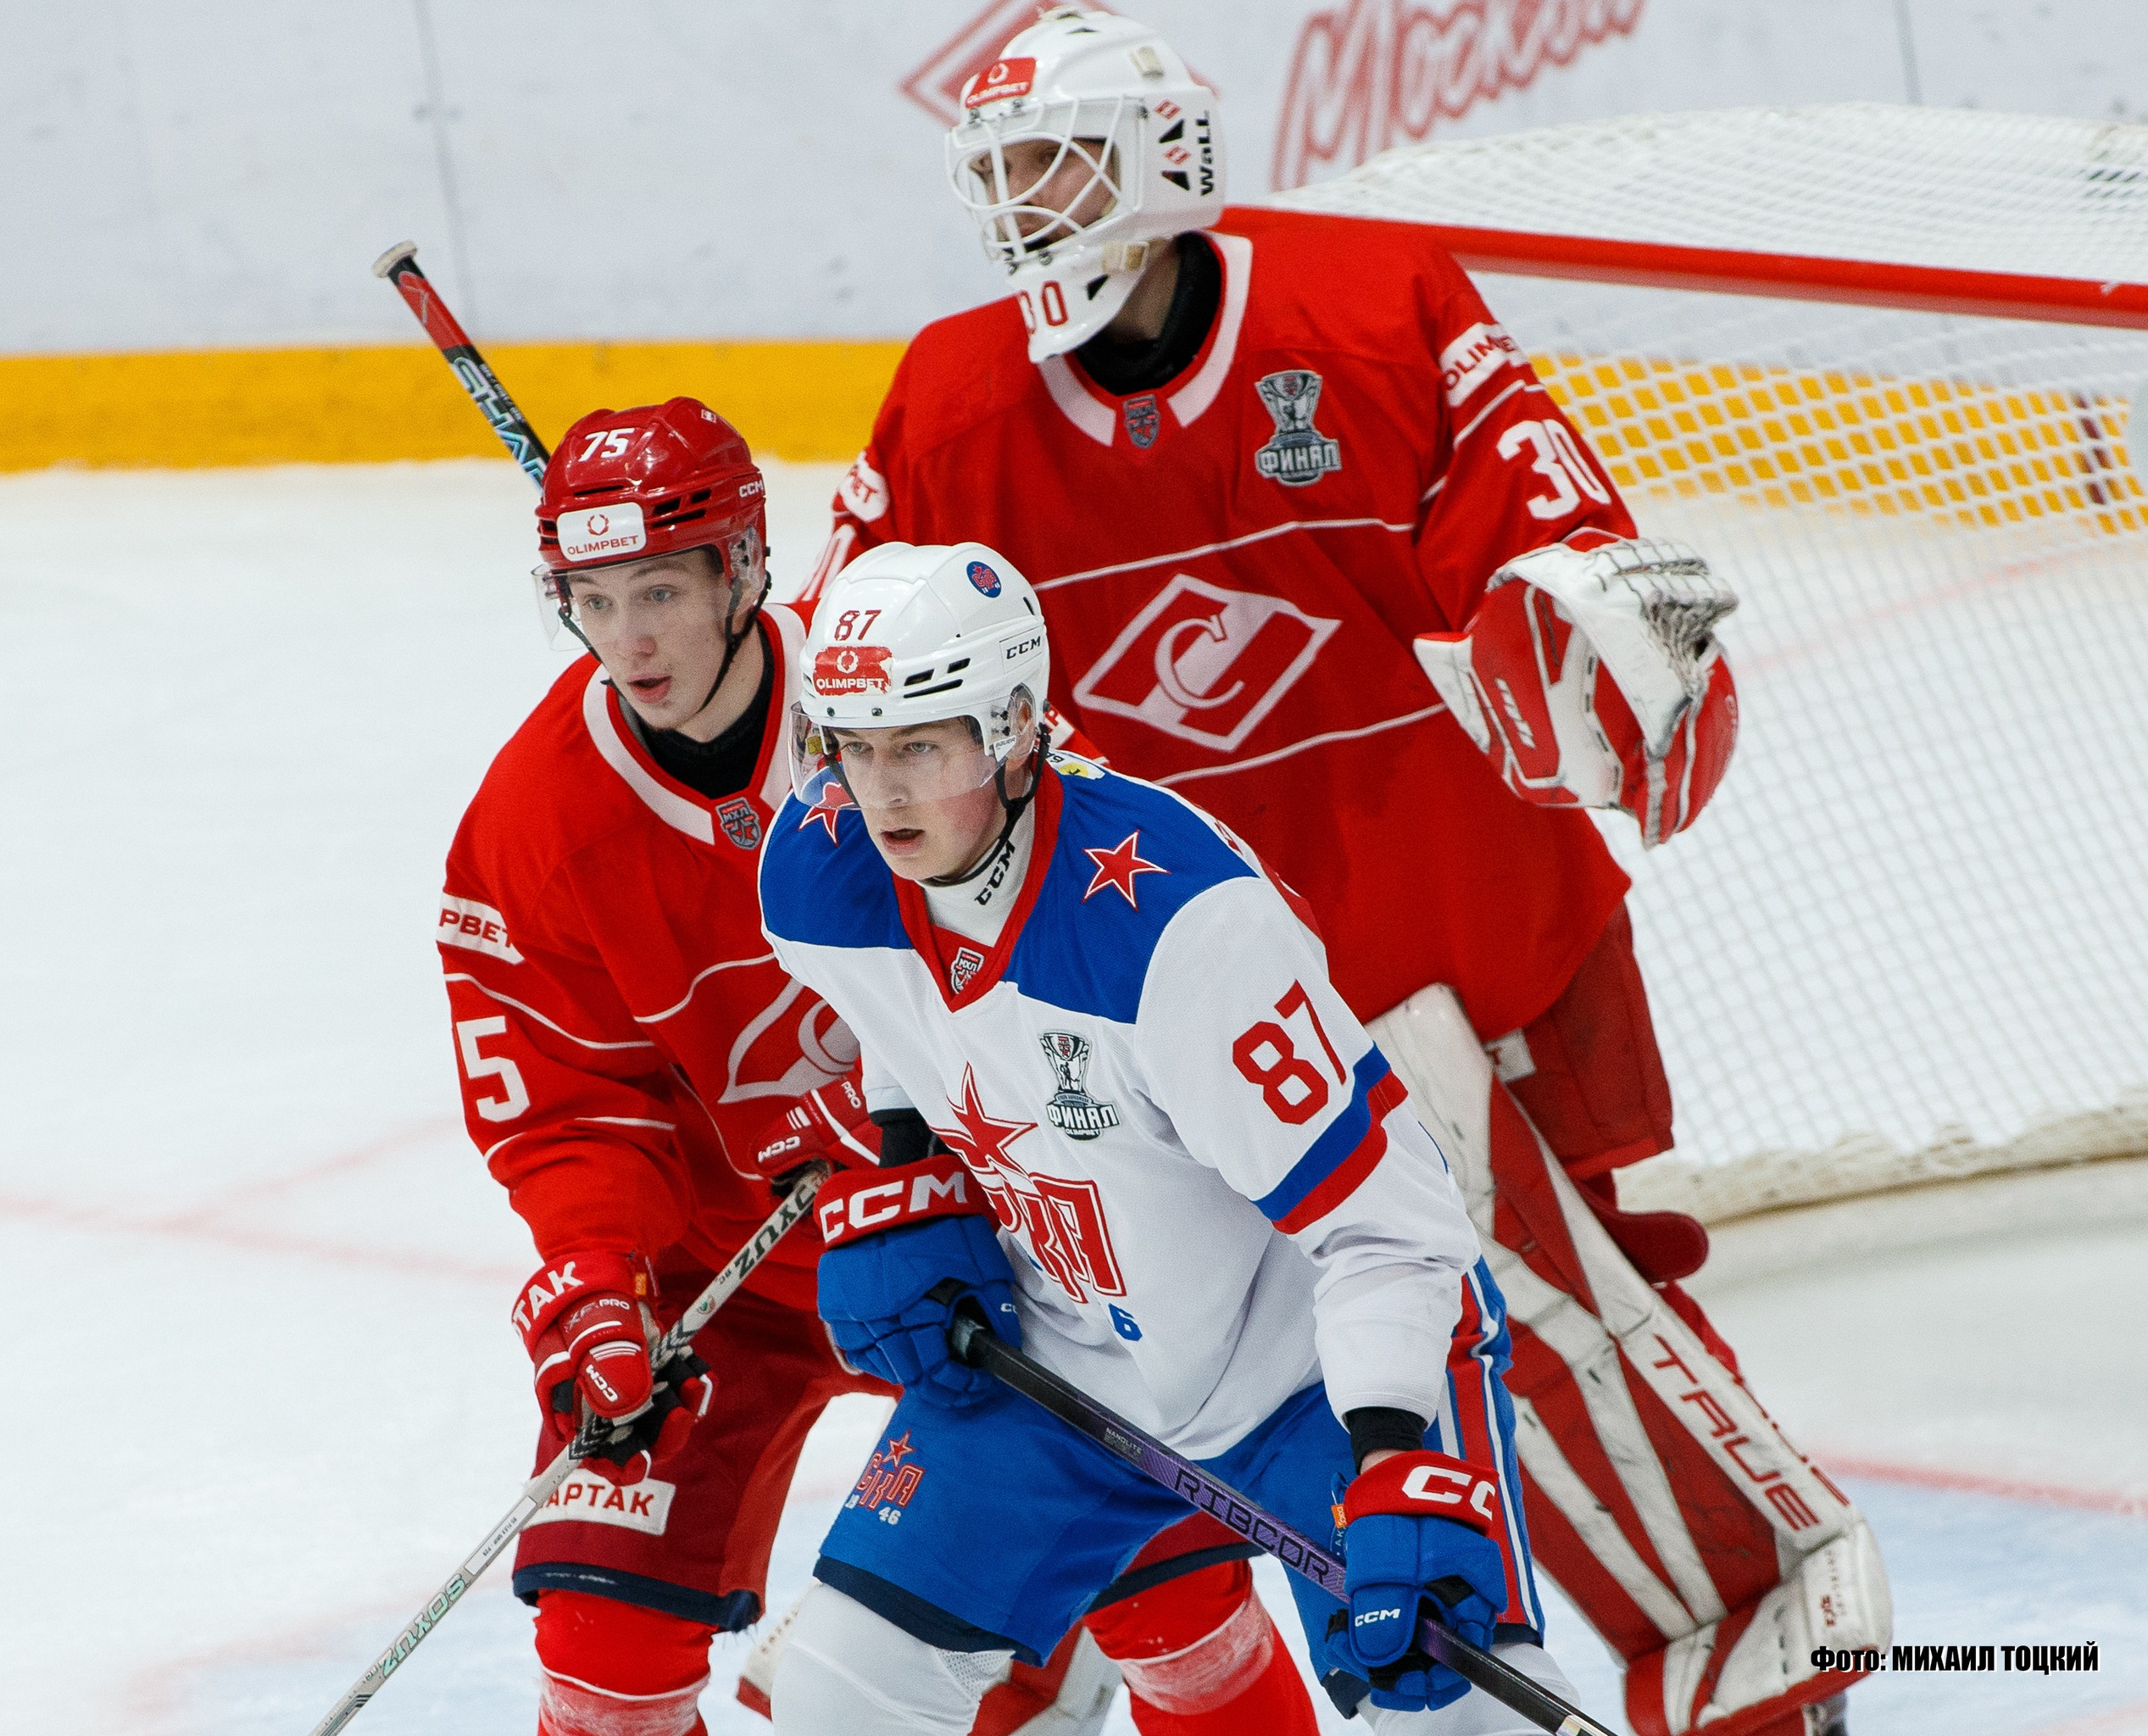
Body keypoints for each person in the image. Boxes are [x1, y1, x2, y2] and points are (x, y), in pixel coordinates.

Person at [807, 11, 1889, 1736]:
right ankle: (1065, 1661)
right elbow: (848, 724)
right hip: (1144, 1015)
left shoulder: (1368, 308)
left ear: (1165, 164)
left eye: (1051, 164)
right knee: (1110, 1328)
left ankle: (1743, 1658)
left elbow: (1543, 546)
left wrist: (1592, 633)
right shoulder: (950, 403)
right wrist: (895, 1139)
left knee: (1547, 1327)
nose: (1020, 210)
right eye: (994, 174)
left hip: (1452, 946)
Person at [437, 396, 1313, 1736]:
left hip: (998, 1237)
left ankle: (1040, 1641)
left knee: (1177, 1607)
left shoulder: (899, 697)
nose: (630, 640)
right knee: (601, 1657)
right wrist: (599, 1291)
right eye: (595, 599)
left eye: (661, 590)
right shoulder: (530, 824)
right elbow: (566, 1107)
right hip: (729, 1276)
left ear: (742, 571)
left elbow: (1073, 920)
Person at [754, 538, 1578, 1735]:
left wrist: (1396, 1448)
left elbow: (1392, 1230)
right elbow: (907, 1014)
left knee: (1449, 1713)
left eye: (922, 745)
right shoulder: (822, 873)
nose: (879, 793)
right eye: (856, 746)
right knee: (840, 1697)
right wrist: (914, 1164)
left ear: (1019, 724)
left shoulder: (1179, 930)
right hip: (1065, 1352)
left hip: (1309, 1371)